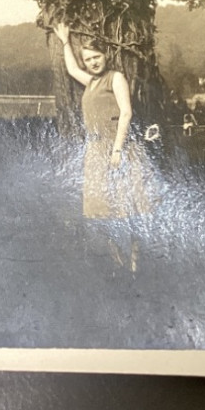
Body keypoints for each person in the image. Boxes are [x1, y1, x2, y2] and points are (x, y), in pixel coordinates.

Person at [53, 22, 153, 271]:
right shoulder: (91, 82)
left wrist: (117, 150)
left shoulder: (115, 78)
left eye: (96, 56)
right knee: (102, 211)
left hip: (118, 149)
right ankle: (119, 265)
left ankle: (135, 265)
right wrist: (66, 41)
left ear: (106, 54)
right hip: (96, 152)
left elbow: (126, 113)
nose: (93, 63)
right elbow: (72, 68)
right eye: (88, 59)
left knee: (128, 209)